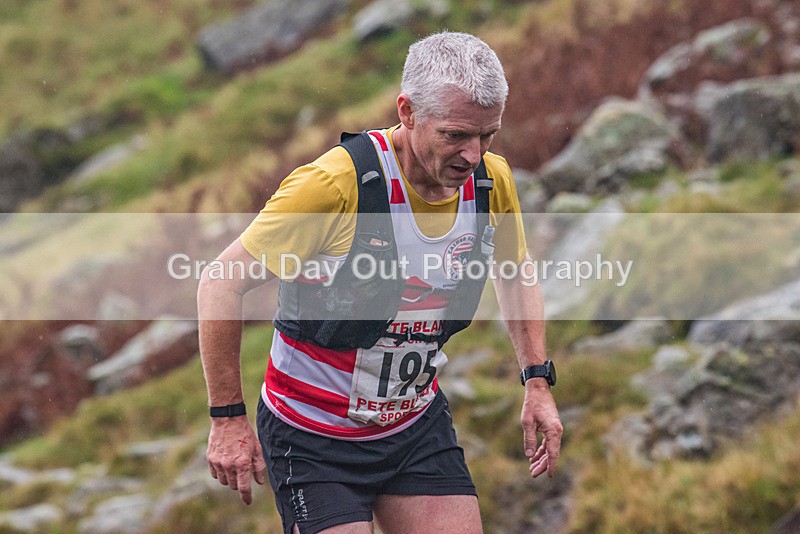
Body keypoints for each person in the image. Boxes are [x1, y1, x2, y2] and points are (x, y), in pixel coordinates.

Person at [198, 31, 562, 534]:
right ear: (407, 112)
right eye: (455, 135)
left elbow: (516, 274)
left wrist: (537, 381)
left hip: (412, 429)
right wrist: (227, 418)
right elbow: (221, 281)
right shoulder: (334, 185)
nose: (473, 155)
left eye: (487, 136)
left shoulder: (489, 182)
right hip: (311, 439)